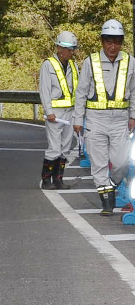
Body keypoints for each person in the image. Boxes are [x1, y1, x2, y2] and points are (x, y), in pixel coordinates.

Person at [73, 19, 135, 215]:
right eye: (109, 42)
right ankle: (107, 202)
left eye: (117, 42)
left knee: (121, 162)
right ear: (102, 41)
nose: (113, 47)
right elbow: (81, 92)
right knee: (99, 163)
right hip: (95, 119)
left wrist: (133, 115)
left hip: (120, 119)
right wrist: (78, 119)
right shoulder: (91, 61)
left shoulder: (129, 61)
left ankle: (110, 186)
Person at [38, 31, 79, 190]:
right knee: (54, 148)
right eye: (69, 49)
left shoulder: (73, 66)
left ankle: (58, 180)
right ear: (59, 48)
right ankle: (46, 180)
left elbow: (78, 89)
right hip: (55, 113)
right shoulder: (48, 65)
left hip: (70, 111)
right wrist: (49, 111)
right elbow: (44, 90)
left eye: (72, 49)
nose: (71, 52)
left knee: (65, 148)